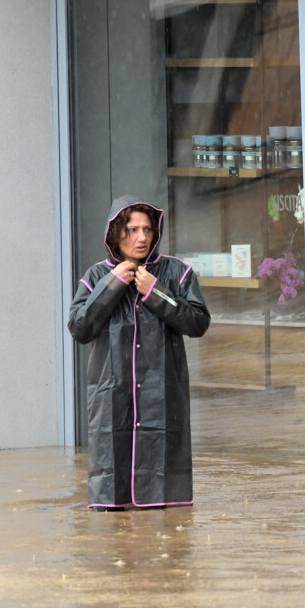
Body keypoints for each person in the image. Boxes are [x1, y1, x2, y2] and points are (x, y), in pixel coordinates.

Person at [68, 195, 210, 511]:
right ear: (115, 233)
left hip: (162, 404)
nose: (141, 237)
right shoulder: (95, 278)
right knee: (110, 524)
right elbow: (79, 328)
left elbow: (198, 323)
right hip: (112, 404)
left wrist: (157, 292)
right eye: (132, 230)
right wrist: (112, 285)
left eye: (147, 229)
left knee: (166, 520)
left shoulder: (177, 273)